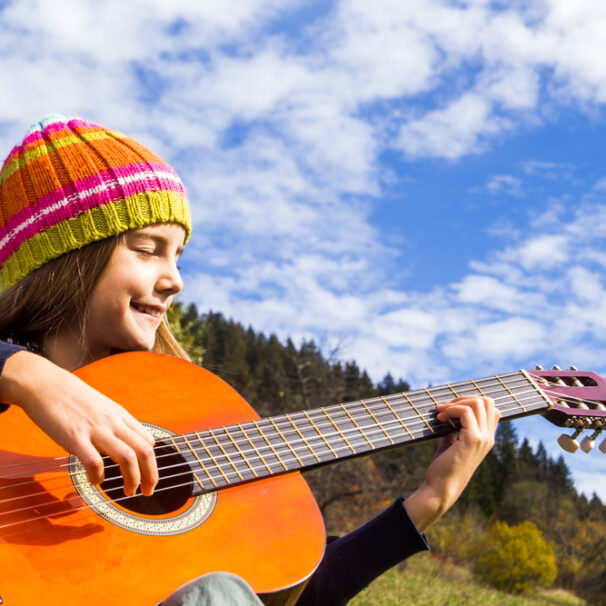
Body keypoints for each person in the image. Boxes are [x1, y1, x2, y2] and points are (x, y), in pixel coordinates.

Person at [0, 115, 500, 606]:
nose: (175, 280)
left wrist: (427, 503)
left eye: (178, 257)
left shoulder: (177, 408)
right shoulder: (15, 381)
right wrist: (29, 375)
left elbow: (282, 586)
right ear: (65, 260)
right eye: (148, 250)